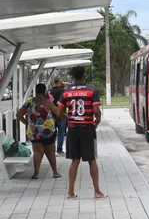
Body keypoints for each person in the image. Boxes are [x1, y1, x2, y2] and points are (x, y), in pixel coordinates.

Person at [57, 66, 106, 200]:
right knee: (91, 160)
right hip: (87, 128)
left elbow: (59, 112)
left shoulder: (66, 92)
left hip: (72, 129)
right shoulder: (91, 90)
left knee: (75, 160)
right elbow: (96, 110)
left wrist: (69, 119)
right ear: (84, 75)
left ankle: (70, 192)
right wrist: (97, 121)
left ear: (73, 76)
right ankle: (96, 191)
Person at [16, 84, 61, 179]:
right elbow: (57, 112)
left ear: (35, 91)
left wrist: (27, 124)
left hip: (34, 132)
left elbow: (19, 115)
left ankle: (36, 173)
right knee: (51, 152)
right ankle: (55, 172)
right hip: (48, 131)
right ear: (44, 91)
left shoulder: (29, 102)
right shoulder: (47, 102)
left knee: (37, 152)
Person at [49, 76, 67, 156]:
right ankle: (59, 150)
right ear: (59, 82)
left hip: (51, 115)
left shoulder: (49, 91)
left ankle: (51, 149)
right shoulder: (64, 91)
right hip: (62, 114)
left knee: (52, 132)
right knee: (61, 132)